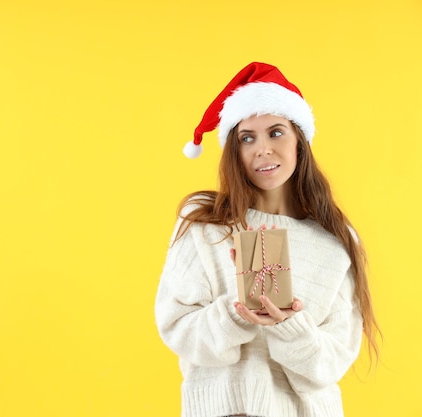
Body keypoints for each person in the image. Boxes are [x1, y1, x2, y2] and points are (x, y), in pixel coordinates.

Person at [154, 62, 379, 417]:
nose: (263, 149)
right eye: (247, 138)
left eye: (276, 132)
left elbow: (330, 364)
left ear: (299, 142)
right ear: (234, 150)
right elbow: (178, 329)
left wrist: (289, 325)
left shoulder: (334, 241)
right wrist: (239, 311)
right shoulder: (205, 223)